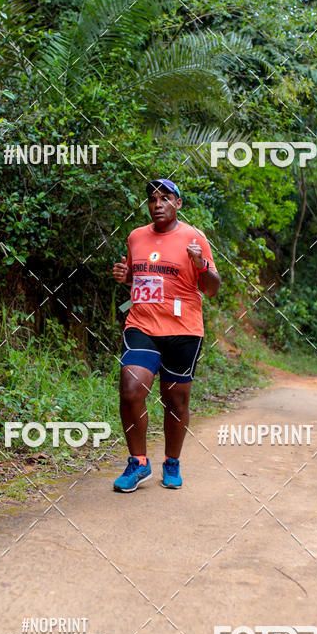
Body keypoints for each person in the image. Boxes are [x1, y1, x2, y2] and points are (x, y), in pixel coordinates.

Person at [111, 178, 220, 492]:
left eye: (165, 198)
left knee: (175, 401)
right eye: (152, 199)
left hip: (183, 330)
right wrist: (126, 276)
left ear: (178, 203)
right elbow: (139, 277)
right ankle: (138, 463)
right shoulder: (136, 237)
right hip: (142, 324)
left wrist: (201, 265)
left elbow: (211, 289)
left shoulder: (194, 237)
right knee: (131, 389)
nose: (157, 204)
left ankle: (172, 462)